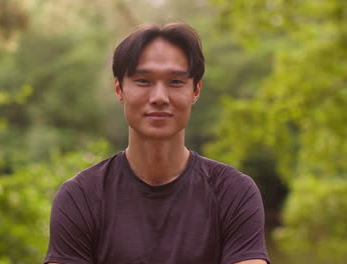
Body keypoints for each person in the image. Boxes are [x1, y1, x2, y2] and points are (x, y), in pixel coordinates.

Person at [43, 23, 270, 264]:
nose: (160, 98)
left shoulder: (233, 193)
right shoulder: (81, 197)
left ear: (196, 91)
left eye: (175, 82)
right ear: (120, 89)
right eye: (143, 81)